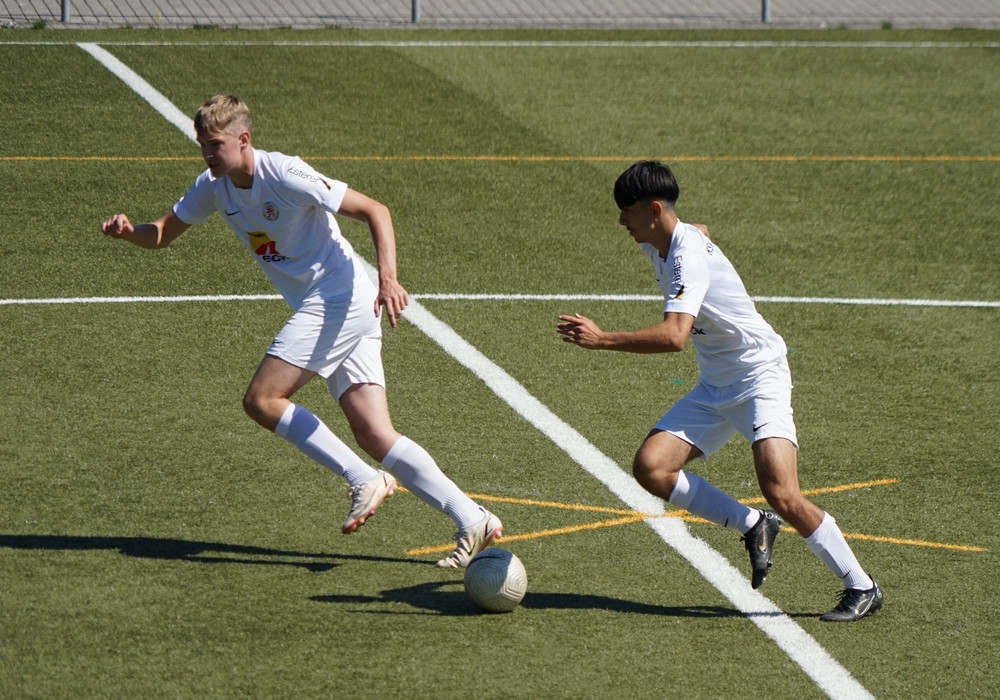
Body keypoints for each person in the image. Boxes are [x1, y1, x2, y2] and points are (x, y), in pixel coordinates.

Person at [100, 94, 501, 568]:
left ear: (243, 140)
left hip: (340, 298)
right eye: (202, 145)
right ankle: (473, 518)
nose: (207, 154)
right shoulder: (214, 186)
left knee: (262, 400)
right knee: (374, 432)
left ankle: (363, 478)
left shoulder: (286, 173)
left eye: (215, 145)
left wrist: (389, 279)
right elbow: (163, 232)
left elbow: (376, 210)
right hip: (338, 304)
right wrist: (129, 232)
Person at [557, 161, 882, 621]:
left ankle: (862, 586)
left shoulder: (685, 255)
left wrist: (602, 339)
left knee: (782, 491)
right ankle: (753, 525)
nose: (621, 220)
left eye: (627, 210)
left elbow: (675, 337)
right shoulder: (662, 240)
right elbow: (700, 230)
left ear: (654, 210)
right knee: (652, 468)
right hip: (716, 383)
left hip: (760, 376)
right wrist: (701, 238)